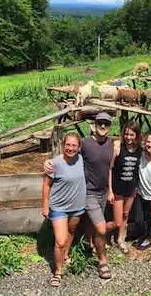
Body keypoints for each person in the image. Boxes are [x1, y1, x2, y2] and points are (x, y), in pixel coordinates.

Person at [44, 112, 114, 279]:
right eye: (100, 123)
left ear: (110, 126)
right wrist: (47, 162)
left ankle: (85, 246)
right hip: (88, 193)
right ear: (94, 124)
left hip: (101, 193)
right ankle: (102, 261)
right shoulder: (86, 144)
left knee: (79, 227)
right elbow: (67, 153)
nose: (103, 126)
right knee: (101, 228)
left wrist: (110, 190)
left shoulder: (112, 144)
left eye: (106, 123)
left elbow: (110, 167)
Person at [42, 132, 86, 287]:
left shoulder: (82, 160)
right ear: (63, 145)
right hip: (59, 207)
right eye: (68, 144)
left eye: (74, 145)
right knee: (60, 240)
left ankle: (65, 255)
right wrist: (45, 205)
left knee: (71, 231)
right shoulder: (55, 163)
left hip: (77, 206)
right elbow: (46, 185)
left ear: (79, 147)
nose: (70, 148)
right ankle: (58, 272)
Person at [106, 121, 142, 253]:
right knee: (117, 221)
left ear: (137, 135)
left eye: (131, 134)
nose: (128, 137)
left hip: (131, 190)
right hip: (118, 189)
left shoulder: (139, 150)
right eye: (126, 134)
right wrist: (110, 190)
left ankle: (120, 239)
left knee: (126, 215)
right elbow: (109, 169)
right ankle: (97, 233)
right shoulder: (118, 147)